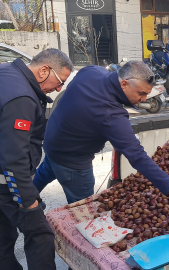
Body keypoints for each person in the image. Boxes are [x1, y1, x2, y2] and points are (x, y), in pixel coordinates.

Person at [33, 61, 169, 214]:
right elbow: (137, 156)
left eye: (147, 94)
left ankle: (24, 201)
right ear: (124, 84)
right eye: (141, 93)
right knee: (83, 213)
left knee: (39, 179)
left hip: (52, 144)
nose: (144, 99)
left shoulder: (92, 71)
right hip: (73, 163)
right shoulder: (110, 114)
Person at [0, 49, 73, 270]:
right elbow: (14, 158)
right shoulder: (22, 99)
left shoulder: (7, 72)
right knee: (40, 234)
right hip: (6, 182)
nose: (59, 89)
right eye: (60, 81)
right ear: (44, 70)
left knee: (3, 234)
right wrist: (28, 199)